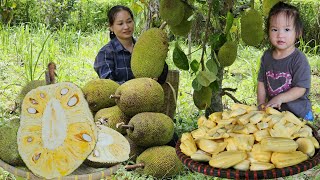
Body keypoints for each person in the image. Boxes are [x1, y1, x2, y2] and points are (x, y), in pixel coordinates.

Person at [257, 2, 313, 121]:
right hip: (275, 114)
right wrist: (261, 104)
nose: (280, 35)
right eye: (274, 29)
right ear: (268, 32)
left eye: (287, 29)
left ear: (298, 33)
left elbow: (301, 88)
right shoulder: (266, 57)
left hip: (298, 115)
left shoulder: (298, 59)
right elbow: (261, 82)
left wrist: (280, 98)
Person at [94, 5, 168, 85]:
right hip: (122, 97)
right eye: (120, 24)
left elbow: (161, 75)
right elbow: (109, 86)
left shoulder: (144, 47)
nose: (126, 27)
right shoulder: (105, 53)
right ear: (111, 27)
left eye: (129, 21)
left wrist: (156, 78)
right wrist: (138, 84)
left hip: (150, 95)